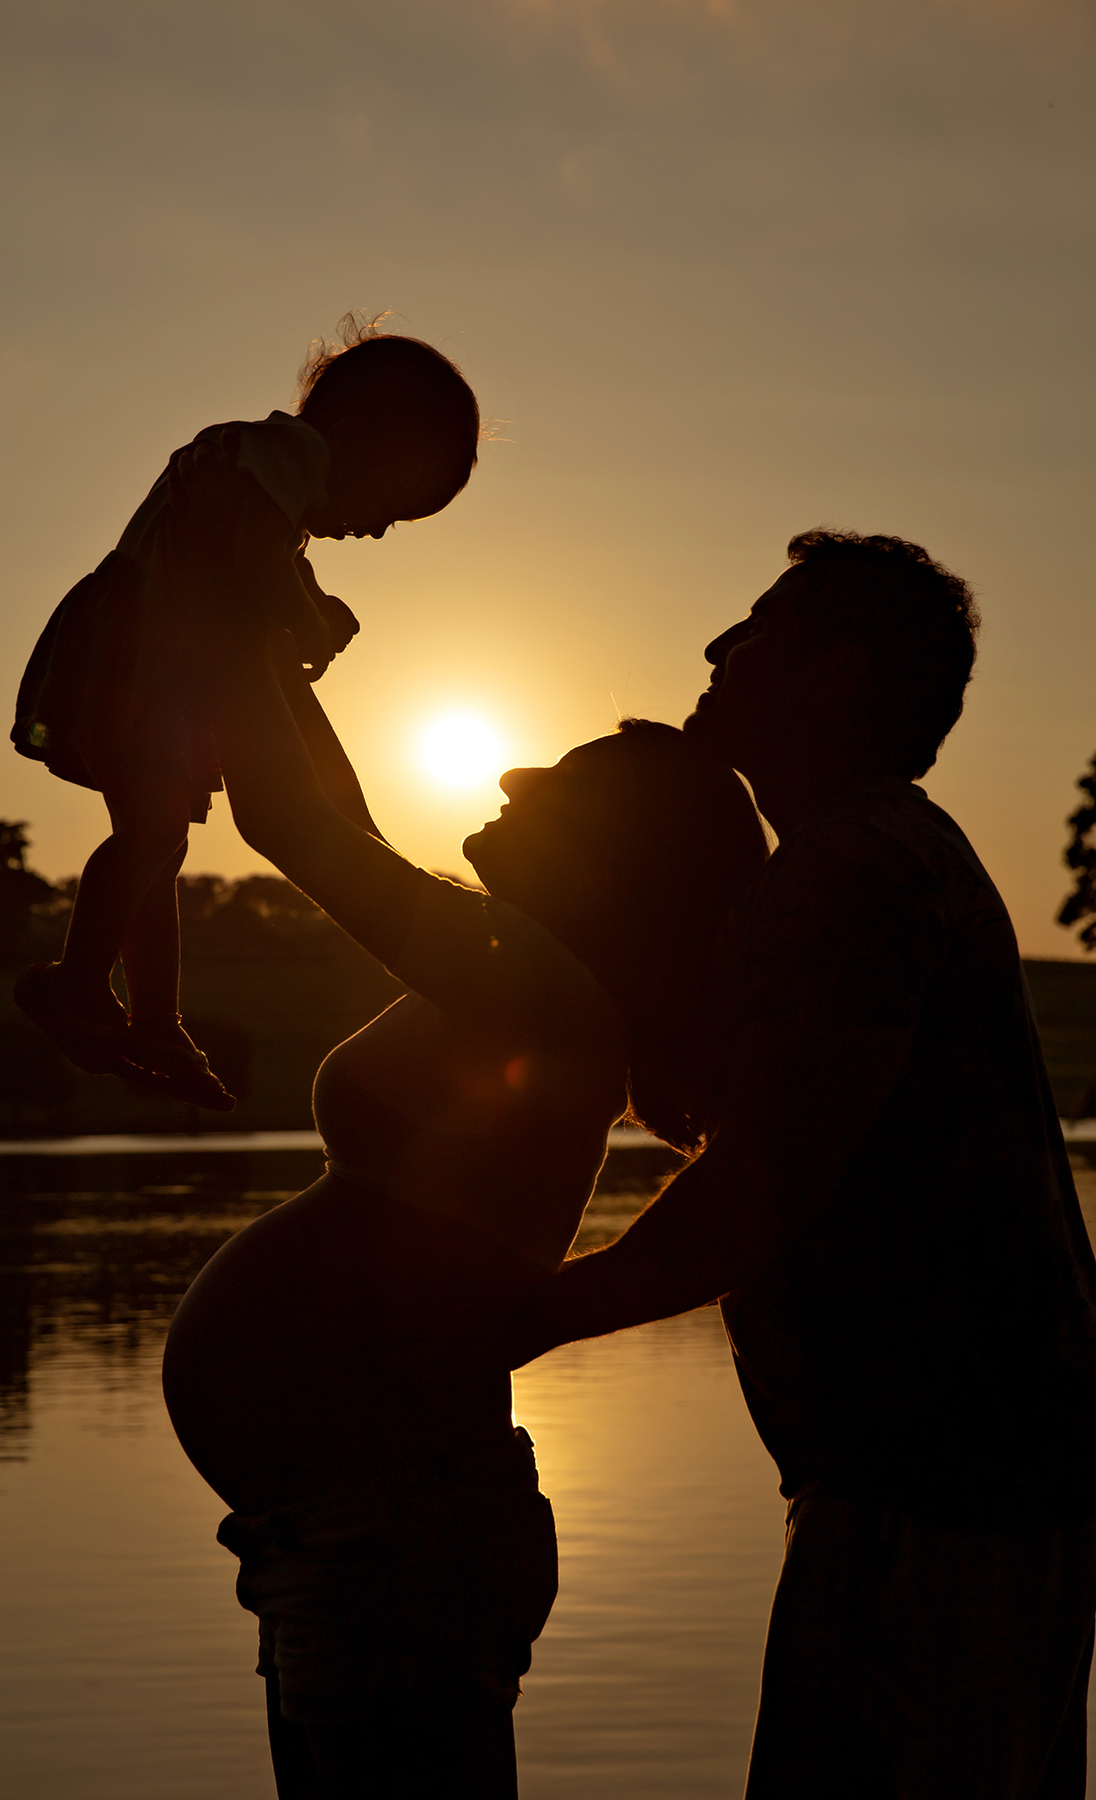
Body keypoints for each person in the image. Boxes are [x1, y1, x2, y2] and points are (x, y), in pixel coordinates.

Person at [512, 529, 1096, 1798]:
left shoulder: (856, 870)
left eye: (757, 629)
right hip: (959, 1485)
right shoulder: (874, 859)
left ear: (834, 673)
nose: (718, 651)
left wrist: (498, 1326)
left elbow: (753, 1196)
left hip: (945, 1499)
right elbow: (720, 1107)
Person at [159, 582, 768, 1796]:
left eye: (565, 780)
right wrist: (274, 654)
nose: (513, 782)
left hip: (394, 1536)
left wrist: (220, 614)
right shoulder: (512, 968)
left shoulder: (535, 986)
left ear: (614, 853)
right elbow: (339, 813)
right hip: (354, 1528)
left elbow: (295, 824)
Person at [10, 318, 479, 1108]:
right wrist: (309, 611)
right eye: (390, 508)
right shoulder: (278, 452)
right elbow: (255, 555)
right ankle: (75, 984)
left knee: (155, 847)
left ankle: (157, 1018)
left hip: (159, 673)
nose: (375, 530)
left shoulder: (271, 489)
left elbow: (257, 565)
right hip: (141, 663)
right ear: (356, 439)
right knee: (154, 836)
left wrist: (304, 605)